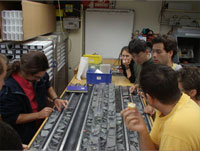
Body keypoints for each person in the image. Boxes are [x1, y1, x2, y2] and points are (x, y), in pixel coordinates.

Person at [121, 64, 200, 150]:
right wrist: (142, 130)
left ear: (149, 98)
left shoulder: (175, 129)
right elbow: (154, 148)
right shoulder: (170, 106)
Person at [0, 51, 68, 144]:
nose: (39, 80)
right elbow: (12, 118)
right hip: (24, 133)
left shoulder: (39, 75)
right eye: (37, 77)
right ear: (26, 72)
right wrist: (38, 115)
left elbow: (47, 85)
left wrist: (55, 99)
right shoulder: (9, 89)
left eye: (41, 76)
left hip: (41, 125)